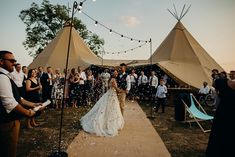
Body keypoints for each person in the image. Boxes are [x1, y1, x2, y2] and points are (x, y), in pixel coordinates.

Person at [0, 50, 40, 157]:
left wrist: (32, 104)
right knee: (8, 151)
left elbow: (18, 98)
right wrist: (28, 112)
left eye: (15, 60)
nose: (14, 63)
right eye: (11, 60)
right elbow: (10, 103)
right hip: (7, 122)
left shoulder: (6, 76)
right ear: (1, 61)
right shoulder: (2, 77)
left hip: (9, 120)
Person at [80, 70, 124, 137]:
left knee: (108, 108)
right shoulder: (113, 80)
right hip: (112, 94)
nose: (116, 74)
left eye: (117, 73)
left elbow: (111, 87)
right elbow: (116, 88)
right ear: (113, 74)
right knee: (111, 109)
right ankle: (108, 124)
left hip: (110, 93)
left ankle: (107, 122)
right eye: (115, 73)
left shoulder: (111, 79)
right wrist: (122, 91)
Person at [206, 70, 235, 157]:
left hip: (223, 113)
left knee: (220, 134)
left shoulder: (221, 82)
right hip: (225, 114)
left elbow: (215, 84)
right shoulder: (222, 82)